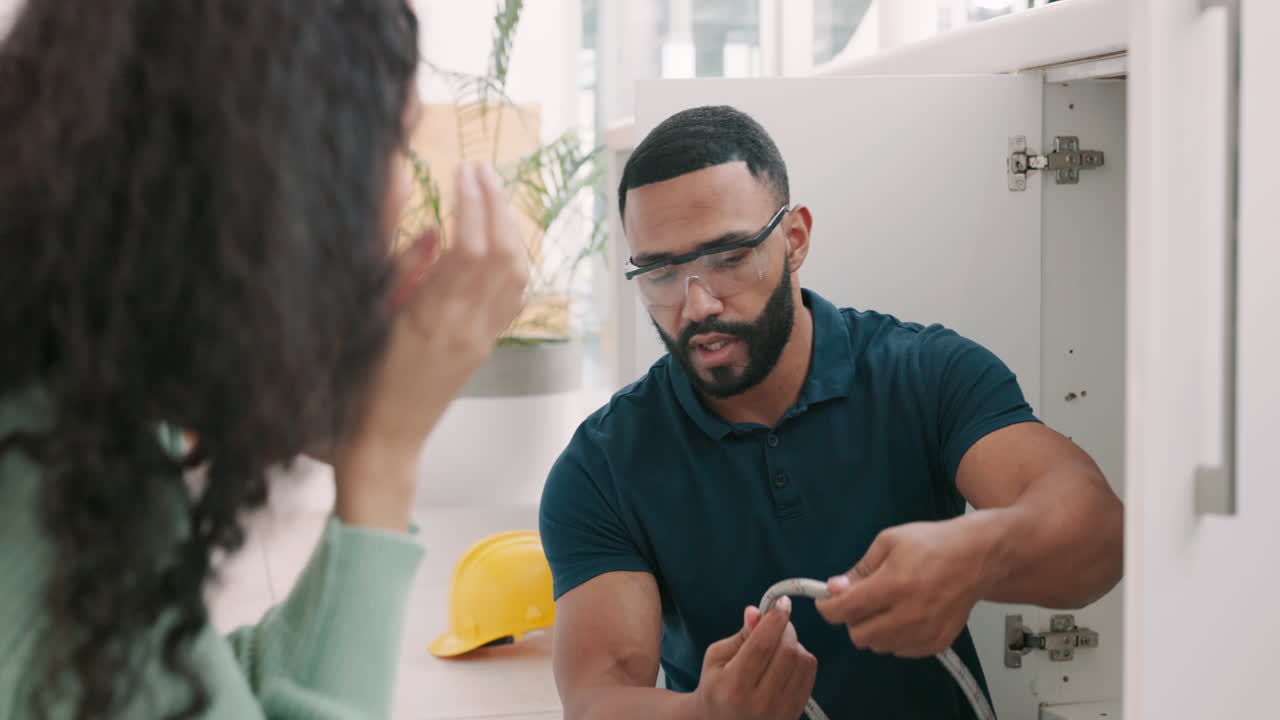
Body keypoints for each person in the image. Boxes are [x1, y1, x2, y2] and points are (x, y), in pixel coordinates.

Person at [0, 2, 528, 719]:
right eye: (394, 145)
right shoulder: (54, 543)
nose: (404, 189)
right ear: (288, 179)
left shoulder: (69, 406)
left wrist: (311, 389)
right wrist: (381, 462)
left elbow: (212, 686)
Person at [539, 105, 1125, 720]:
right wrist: (707, 715)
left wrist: (981, 553)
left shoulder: (928, 374)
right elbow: (596, 695)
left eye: (729, 257)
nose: (698, 305)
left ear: (794, 239)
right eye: (661, 272)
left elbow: (1101, 535)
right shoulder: (602, 465)